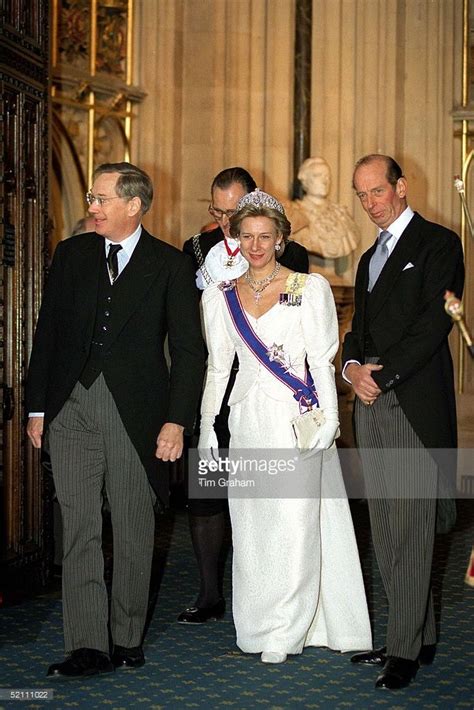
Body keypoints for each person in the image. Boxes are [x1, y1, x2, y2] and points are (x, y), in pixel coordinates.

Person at [25, 162, 205, 678]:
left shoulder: (169, 266)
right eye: (91, 197)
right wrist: (38, 408)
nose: (92, 207)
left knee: (132, 526)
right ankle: (86, 644)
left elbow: (189, 353)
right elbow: (49, 334)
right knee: (78, 526)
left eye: (101, 199)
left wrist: (175, 422)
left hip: (137, 416)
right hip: (71, 409)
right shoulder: (72, 254)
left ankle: (126, 637)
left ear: (133, 205)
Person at [197, 189, 372, 663]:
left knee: (296, 523)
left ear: (279, 240)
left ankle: (288, 629)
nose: (255, 246)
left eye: (265, 237)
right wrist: (208, 429)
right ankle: (256, 624)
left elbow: (319, 359)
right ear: (235, 236)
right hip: (248, 421)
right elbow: (217, 367)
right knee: (253, 526)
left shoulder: (305, 287)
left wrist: (331, 423)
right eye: (247, 236)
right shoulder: (220, 298)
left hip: (297, 422)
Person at [342, 154, 465, 690]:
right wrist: (350, 368)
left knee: (412, 528)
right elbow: (357, 334)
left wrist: (380, 376)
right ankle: (415, 634)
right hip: (368, 406)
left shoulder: (439, 244)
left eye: (377, 191)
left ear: (401, 186)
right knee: (388, 528)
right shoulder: (368, 257)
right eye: (361, 194)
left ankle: (405, 650)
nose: (370, 203)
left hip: (411, 405)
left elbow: (433, 325)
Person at [178, 168, 309, 624]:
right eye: (218, 212)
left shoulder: (295, 257)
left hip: (268, 393)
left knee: (265, 497)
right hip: (214, 384)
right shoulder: (195, 250)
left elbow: (294, 329)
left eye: (234, 212)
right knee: (208, 493)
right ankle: (210, 592)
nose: (227, 223)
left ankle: (274, 596)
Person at [287, 156, 360, 259]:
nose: (325, 181)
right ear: (305, 180)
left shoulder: (341, 214)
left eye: (327, 176)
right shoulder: (294, 214)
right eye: (317, 176)